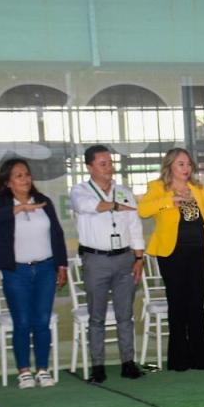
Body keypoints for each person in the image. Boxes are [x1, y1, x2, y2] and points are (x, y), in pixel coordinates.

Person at [0, 158, 68, 389]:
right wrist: (21, 208)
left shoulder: (43, 201)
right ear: (8, 182)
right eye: (19, 175)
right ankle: (24, 371)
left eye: (27, 174)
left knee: (41, 321)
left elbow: (57, 234)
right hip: (17, 271)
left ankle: (42, 369)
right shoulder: (0, 202)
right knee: (22, 322)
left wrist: (61, 265)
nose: (25, 179)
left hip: (44, 268)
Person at [70, 145, 145, 384]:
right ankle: (98, 366)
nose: (109, 168)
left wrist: (139, 258)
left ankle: (128, 362)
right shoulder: (80, 191)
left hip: (124, 258)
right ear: (90, 167)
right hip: (96, 259)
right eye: (103, 164)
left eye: (110, 163)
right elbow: (87, 207)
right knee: (97, 316)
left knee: (125, 314)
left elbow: (134, 224)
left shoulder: (123, 191)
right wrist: (112, 205)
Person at [139, 148, 204, 372]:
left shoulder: (199, 189)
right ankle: (179, 359)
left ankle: (199, 358)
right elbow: (143, 210)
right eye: (181, 164)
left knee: (196, 306)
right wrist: (170, 200)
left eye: (189, 164)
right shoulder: (157, 188)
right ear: (170, 166)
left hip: (197, 253)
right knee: (177, 305)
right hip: (171, 254)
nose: (186, 168)